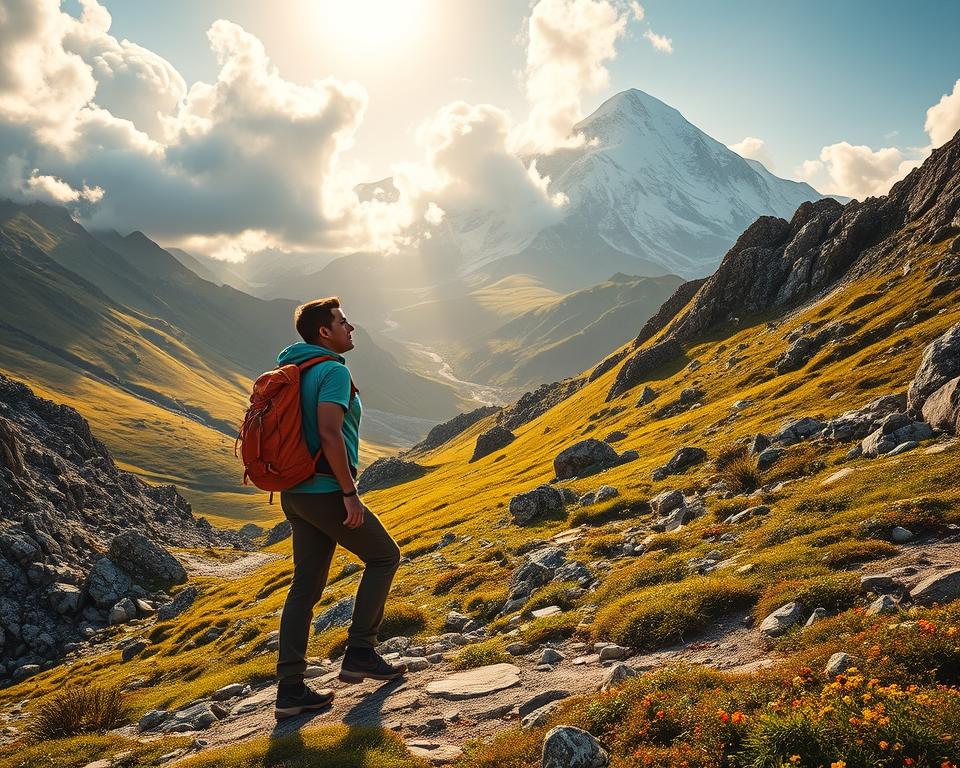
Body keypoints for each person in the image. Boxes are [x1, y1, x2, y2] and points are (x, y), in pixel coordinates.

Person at [273, 296, 406, 720]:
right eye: (343, 322)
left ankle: (290, 689)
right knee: (385, 556)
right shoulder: (330, 371)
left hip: (295, 493)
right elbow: (330, 433)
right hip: (327, 491)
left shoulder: (293, 369)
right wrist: (350, 493)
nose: (352, 328)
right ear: (324, 332)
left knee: (305, 588)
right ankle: (361, 652)